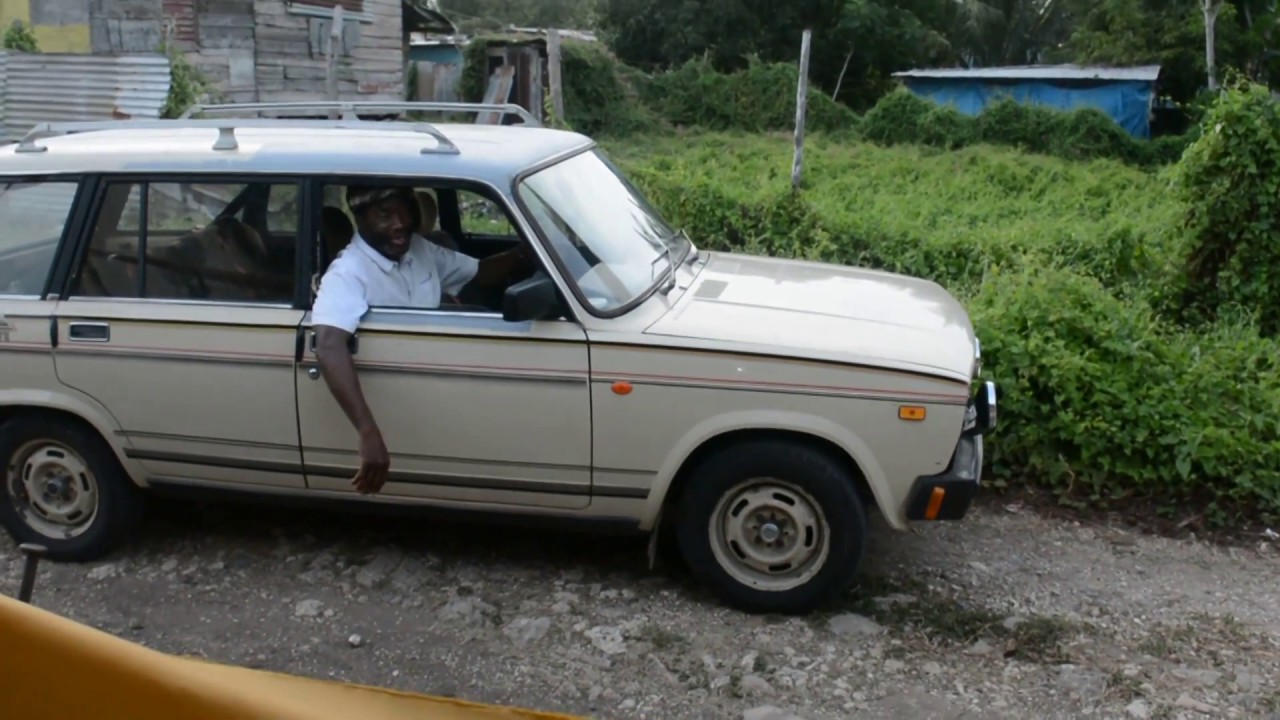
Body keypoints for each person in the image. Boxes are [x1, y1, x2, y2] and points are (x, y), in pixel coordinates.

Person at [310, 184, 530, 496]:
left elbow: (478, 273)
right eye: (386, 216)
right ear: (360, 218)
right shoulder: (348, 273)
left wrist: (524, 253)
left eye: (405, 212)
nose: (400, 223)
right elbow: (329, 344)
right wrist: (367, 432)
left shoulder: (418, 248)